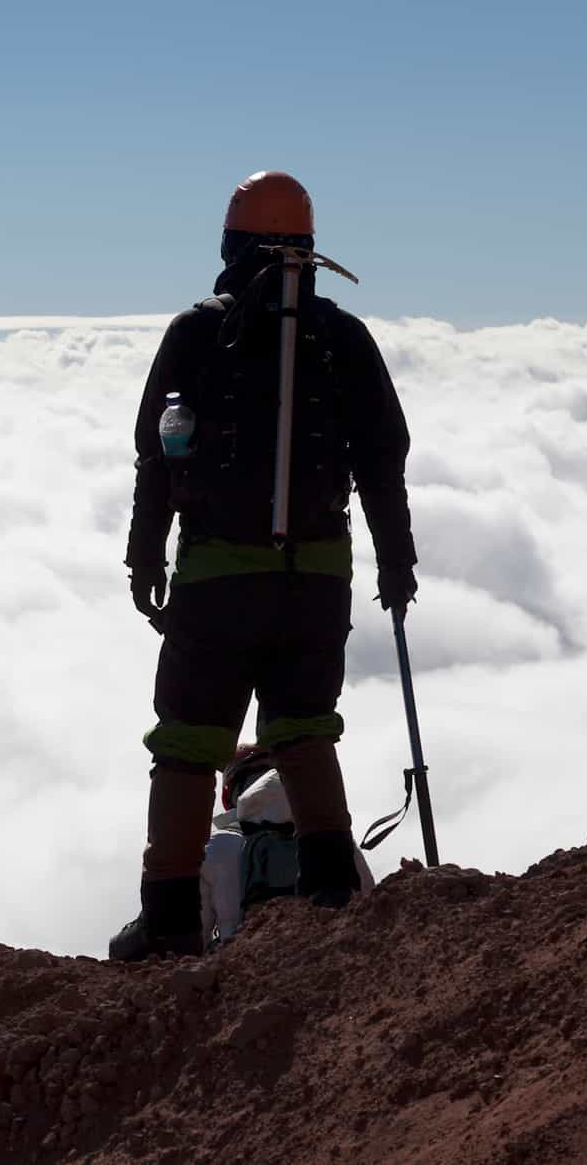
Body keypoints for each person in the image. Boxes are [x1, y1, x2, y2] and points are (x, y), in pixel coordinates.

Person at [109, 170, 418, 962]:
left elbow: (157, 453)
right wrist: (396, 559)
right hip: (318, 576)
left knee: (185, 746)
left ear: (230, 243)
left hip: (218, 579)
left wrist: (146, 552)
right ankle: (331, 894)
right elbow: (384, 458)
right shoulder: (342, 337)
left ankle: (170, 919)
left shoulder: (196, 332)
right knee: (306, 730)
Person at [201, 745, 375, 949]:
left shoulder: (215, 848)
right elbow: (370, 904)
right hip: (332, 962)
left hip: (249, 969)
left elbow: (193, 943)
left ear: (226, 796)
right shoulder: (327, 834)